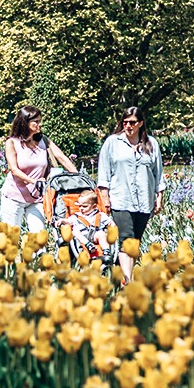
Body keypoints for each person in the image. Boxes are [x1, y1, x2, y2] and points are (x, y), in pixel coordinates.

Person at [97, 106, 165, 282]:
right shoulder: (112, 143)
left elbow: (158, 173)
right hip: (120, 199)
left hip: (144, 200)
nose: (128, 126)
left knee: (134, 243)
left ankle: (117, 279)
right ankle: (128, 282)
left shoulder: (151, 144)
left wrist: (159, 196)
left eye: (133, 122)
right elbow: (103, 173)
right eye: (125, 122)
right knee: (126, 239)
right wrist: (105, 198)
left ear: (141, 123)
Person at [0, 105, 77, 234]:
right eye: (36, 122)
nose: (40, 124)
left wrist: (79, 177)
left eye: (40, 121)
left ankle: (40, 255)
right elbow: (14, 169)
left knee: (39, 237)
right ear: (25, 122)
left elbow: (62, 158)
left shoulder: (44, 141)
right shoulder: (12, 142)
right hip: (14, 197)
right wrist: (34, 181)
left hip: (37, 198)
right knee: (10, 238)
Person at [55, 189, 115, 262]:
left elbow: (111, 223)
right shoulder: (77, 216)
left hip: (94, 235)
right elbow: (68, 221)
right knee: (74, 231)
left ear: (94, 206)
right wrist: (62, 220)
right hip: (82, 238)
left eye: (84, 206)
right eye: (79, 206)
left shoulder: (100, 215)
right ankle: (88, 245)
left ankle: (106, 251)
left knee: (101, 234)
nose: (81, 209)